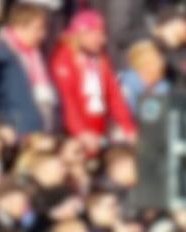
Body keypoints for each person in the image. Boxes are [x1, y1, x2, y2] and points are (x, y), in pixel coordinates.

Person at [50, 11, 135, 153]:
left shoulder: (100, 59)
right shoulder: (63, 59)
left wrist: (128, 128)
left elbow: (114, 95)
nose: (103, 40)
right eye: (98, 34)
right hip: (76, 135)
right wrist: (81, 132)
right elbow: (67, 100)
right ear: (82, 34)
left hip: (99, 131)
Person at [0, 3, 59, 136]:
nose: (43, 35)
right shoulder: (0, 56)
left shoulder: (36, 54)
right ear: (19, 27)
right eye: (38, 29)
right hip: (18, 132)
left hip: (40, 129)